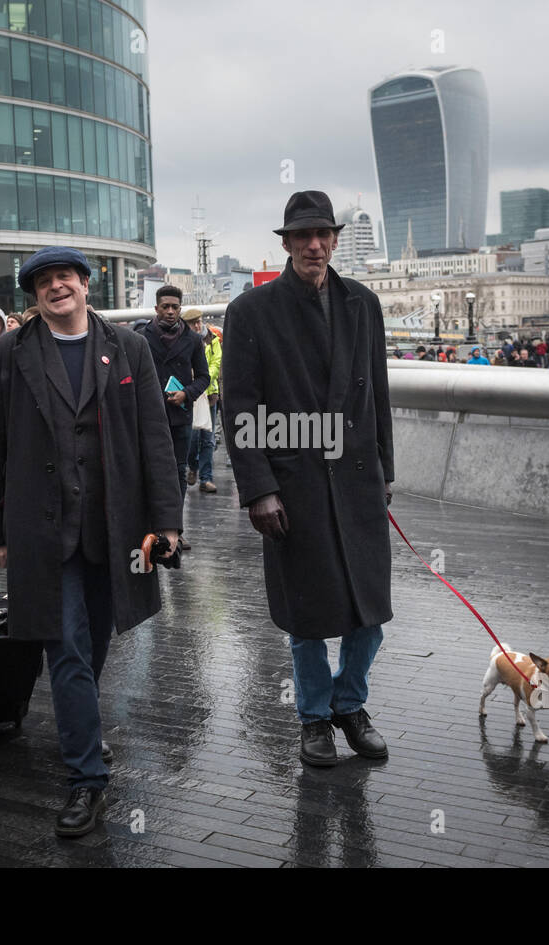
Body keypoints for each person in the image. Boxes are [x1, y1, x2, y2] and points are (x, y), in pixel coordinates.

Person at [0, 245, 182, 838]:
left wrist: (167, 524)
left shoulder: (129, 349)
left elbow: (155, 442)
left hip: (114, 528)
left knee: (92, 643)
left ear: (85, 285)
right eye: (43, 282)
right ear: (34, 296)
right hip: (41, 532)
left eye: (65, 277)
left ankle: (82, 726)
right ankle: (85, 779)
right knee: (64, 645)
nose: (56, 287)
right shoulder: (9, 352)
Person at [222, 190, 395, 769]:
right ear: (287, 243)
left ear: (335, 240)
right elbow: (240, 406)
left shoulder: (363, 304)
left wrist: (385, 472)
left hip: (359, 480)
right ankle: (314, 719)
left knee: (369, 611)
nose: (314, 245)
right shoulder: (252, 312)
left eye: (323, 235)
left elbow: (379, 395)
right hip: (293, 486)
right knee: (307, 615)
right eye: (303, 236)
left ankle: (350, 704)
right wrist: (259, 489)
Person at [140, 286, 209, 551]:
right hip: (149, 416)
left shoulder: (191, 340)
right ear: (156, 308)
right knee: (149, 470)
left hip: (179, 417)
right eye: (165, 306)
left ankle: (174, 529)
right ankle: (150, 526)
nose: (170, 311)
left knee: (178, 471)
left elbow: (204, 376)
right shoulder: (141, 337)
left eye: (175, 307)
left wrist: (186, 394)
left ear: (180, 309)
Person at [184, 308, 222, 494]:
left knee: (208, 439)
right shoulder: (183, 341)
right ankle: (193, 466)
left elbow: (216, 364)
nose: (198, 326)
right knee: (192, 439)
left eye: (199, 322)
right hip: (191, 396)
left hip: (209, 396)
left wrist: (203, 378)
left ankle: (206, 478)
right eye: (193, 323)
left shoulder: (212, 339)